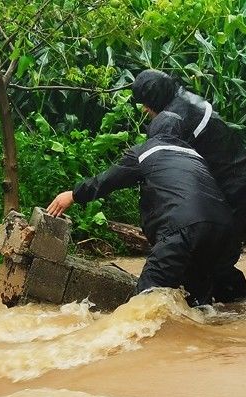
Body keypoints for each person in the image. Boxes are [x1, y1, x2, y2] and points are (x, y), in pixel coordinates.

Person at [46, 111, 233, 306]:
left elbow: (109, 180)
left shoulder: (147, 151)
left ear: (153, 131)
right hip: (223, 229)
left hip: (182, 227)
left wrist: (74, 194)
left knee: (143, 304)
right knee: (199, 302)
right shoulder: (195, 156)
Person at [131, 70, 246, 302]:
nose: (144, 110)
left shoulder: (172, 120)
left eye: (145, 103)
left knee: (208, 259)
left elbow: (160, 171)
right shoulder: (184, 99)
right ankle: (237, 307)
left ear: (154, 98)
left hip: (233, 192)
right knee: (212, 257)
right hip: (238, 185)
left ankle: (225, 311)